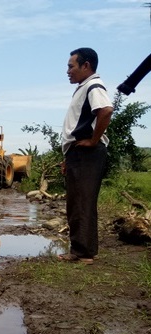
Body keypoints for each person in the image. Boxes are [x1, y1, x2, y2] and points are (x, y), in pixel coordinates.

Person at [59, 47, 113, 264]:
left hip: (86, 153)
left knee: (82, 201)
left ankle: (83, 253)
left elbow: (106, 110)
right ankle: (82, 250)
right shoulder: (84, 88)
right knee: (78, 201)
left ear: (86, 65)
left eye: (71, 66)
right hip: (78, 153)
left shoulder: (93, 86)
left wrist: (92, 140)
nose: (68, 71)